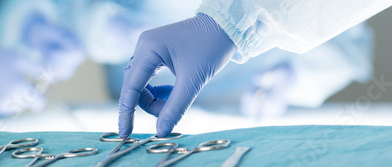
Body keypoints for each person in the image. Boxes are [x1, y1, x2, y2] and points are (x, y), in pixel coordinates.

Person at [117, 1, 392, 138]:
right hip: (141, 90)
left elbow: (346, 37)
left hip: (257, 101)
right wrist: (105, 29)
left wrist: (296, 77)